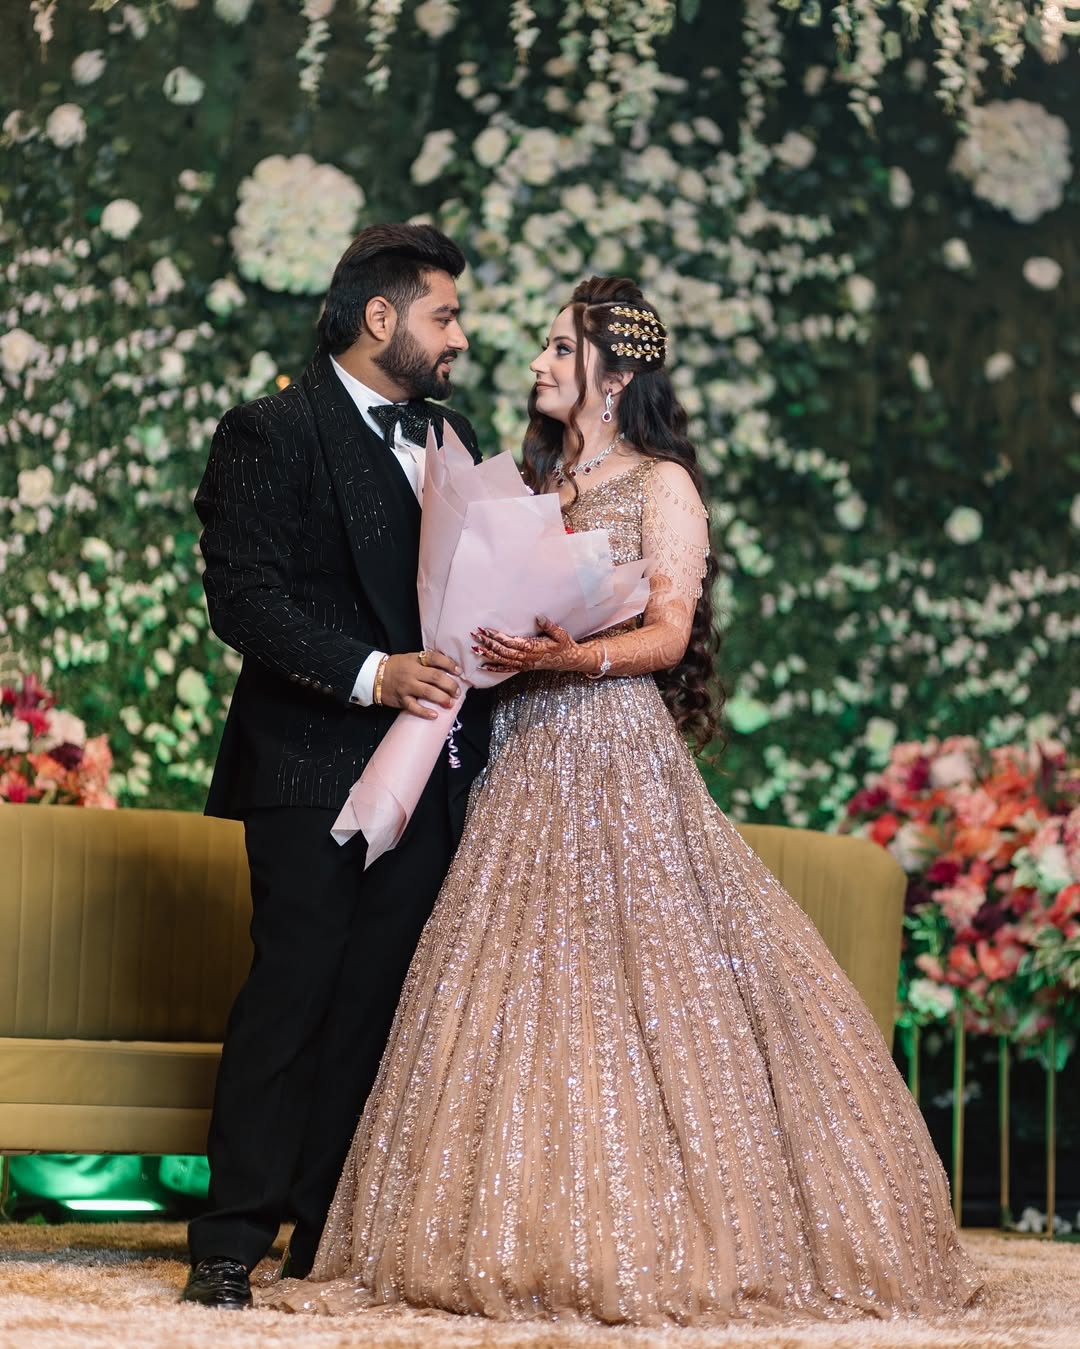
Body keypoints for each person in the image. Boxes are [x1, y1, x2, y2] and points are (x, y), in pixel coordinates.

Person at [264, 276, 981, 1324]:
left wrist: (568, 657)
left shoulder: (662, 482)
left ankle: (656, 1233)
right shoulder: (533, 482)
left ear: (617, 370)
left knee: (640, 978)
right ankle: (507, 1223)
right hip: (516, 754)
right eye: (547, 346)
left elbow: (670, 634)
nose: (540, 363)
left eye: (562, 348)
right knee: (511, 981)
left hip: (609, 749)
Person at [182, 224, 491, 1309]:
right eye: (445, 314)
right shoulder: (267, 430)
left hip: (431, 771)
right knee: (293, 990)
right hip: (311, 763)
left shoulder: (457, 438)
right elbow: (244, 601)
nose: (460, 336)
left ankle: (324, 1236)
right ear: (379, 316)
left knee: (375, 1004)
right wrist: (375, 674)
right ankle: (228, 1241)